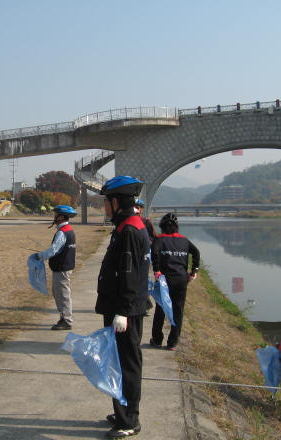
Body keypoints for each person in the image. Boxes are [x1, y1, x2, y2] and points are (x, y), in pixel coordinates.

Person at [95, 175, 150, 438]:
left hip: (124, 310)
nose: (104, 206)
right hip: (122, 306)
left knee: (125, 364)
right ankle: (122, 412)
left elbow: (130, 275)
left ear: (116, 201)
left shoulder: (128, 230)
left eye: (106, 201)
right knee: (118, 362)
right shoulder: (128, 225)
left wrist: (123, 312)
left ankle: (128, 420)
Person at [149, 213, 200, 351]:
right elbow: (196, 253)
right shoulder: (184, 240)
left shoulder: (159, 240)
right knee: (178, 310)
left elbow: (154, 254)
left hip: (164, 280)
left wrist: (157, 270)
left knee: (160, 309)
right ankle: (172, 343)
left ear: (162, 227)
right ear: (177, 227)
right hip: (181, 280)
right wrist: (193, 271)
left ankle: (157, 340)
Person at [35, 205, 77, 330]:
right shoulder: (68, 229)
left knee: (62, 294)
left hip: (62, 268)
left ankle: (66, 321)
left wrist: (40, 256)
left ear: (61, 217)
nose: (54, 217)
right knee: (58, 292)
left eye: (56, 214)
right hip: (63, 266)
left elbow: (54, 250)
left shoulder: (63, 232)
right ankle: (64, 317)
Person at [135, 199, 155, 314]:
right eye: (135, 206)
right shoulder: (129, 221)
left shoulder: (146, 221)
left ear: (141, 209)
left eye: (139, 207)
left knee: (143, 279)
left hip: (144, 255)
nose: (137, 208)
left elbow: (154, 237)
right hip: (133, 254)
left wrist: (148, 243)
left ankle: (145, 305)